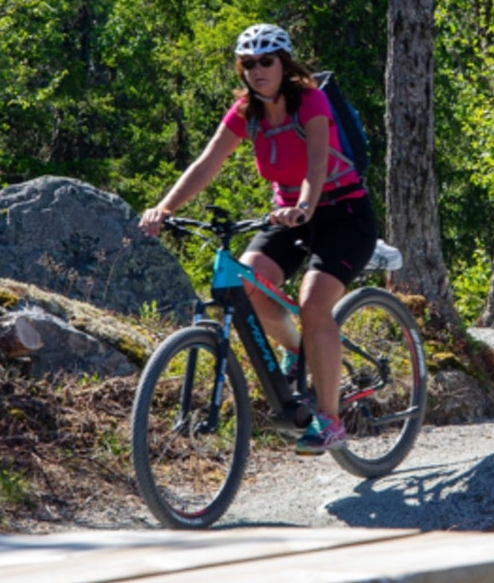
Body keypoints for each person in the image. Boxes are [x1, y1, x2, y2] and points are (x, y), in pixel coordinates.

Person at [139, 23, 377, 454]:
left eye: (266, 61)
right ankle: (300, 352)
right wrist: (165, 207)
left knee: (313, 302)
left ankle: (330, 421)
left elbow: (317, 165)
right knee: (247, 282)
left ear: (284, 64)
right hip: (289, 216)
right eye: (248, 63)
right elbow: (207, 162)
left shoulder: (311, 100)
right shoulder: (246, 112)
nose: (257, 70)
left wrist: (304, 206)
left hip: (343, 213)